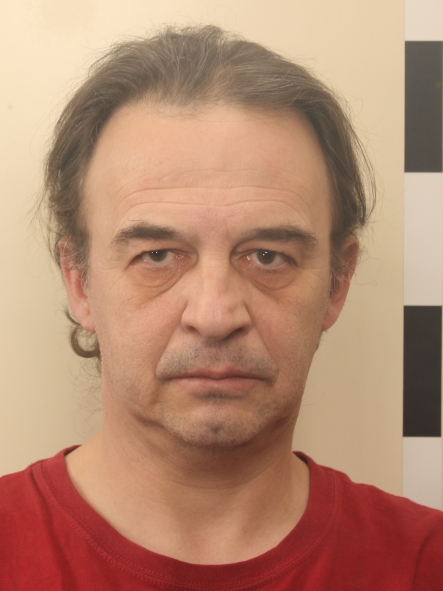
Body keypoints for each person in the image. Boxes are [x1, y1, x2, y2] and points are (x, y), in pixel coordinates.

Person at [1, 25, 442, 590]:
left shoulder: (426, 563)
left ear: (338, 282)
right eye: (157, 255)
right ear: (79, 282)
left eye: (267, 256)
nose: (214, 316)